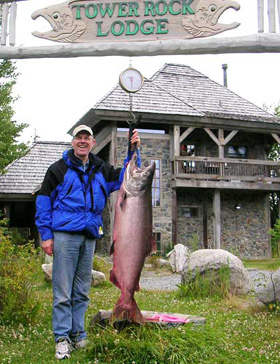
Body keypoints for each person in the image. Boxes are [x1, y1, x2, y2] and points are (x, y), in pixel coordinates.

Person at [35, 125, 140, 360]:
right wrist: (46, 235)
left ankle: (79, 334)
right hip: (64, 235)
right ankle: (62, 338)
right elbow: (43, 202)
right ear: (72, 142)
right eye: (78, 138)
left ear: (92, 143)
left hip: (90, 235)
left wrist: (133, 152)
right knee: (63, 290)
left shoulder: (100, 168)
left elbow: (127, 177)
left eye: (87, 138)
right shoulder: (58, 170)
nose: (82, 141)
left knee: (82, 290)